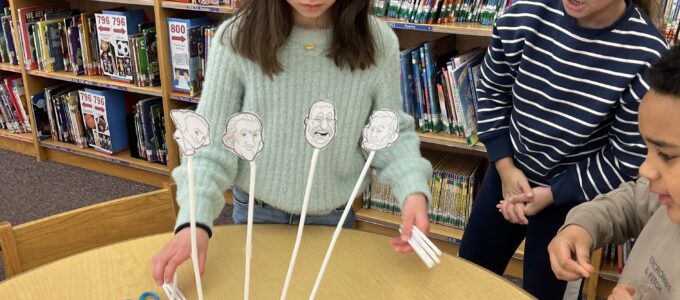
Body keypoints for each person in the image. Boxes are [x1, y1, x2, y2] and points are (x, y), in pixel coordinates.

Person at [151, 0, 433, 286]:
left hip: (333, 215)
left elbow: (389, 130)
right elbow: (208, 146)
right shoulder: (235, 38)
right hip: (257, 212)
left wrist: (412, 189)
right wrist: (194, 221)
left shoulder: (378, 42)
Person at [457, 0, 668, 298]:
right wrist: (505, 167)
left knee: (546, 290)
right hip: (507, 175)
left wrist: (553, 193)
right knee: (466, 275)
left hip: (572, 198)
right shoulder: (523, 13)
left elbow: (624, 155)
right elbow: (491, 92)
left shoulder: (647, 54)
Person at [548, 45, 680, 300]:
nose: (645, 169)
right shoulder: (668, 200)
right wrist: (583, 226)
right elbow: (632, 202)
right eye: (648, 149)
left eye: (666, 154)